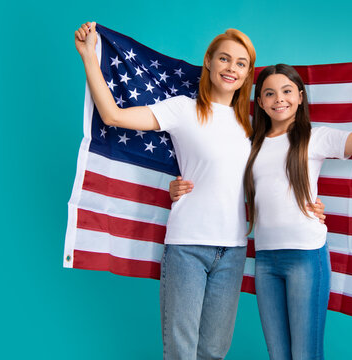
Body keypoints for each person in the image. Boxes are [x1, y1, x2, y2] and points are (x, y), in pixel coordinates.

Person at [74, 22, 325, 360]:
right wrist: (90, 57)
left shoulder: (252, 125)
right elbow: (113, 116)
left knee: (213, 352)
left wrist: (307, 204)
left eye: (240, 63)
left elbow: (274, 172)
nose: (231, 68)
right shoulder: (182, 109)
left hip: (233, 252)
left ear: (248, 72)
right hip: (187, 247)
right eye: (224, 59)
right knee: (181, 351)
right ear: (208, 61)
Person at [171, 53, 352, 359]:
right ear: (259, 103)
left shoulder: (317, 138)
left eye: (286, 91)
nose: (278, 99)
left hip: (306, 259)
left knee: (306, 354)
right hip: (266, 262)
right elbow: (213, 169)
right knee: (279, 355)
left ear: (300, 96)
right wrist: (177, 185)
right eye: (269, 93)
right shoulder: (250, 145)